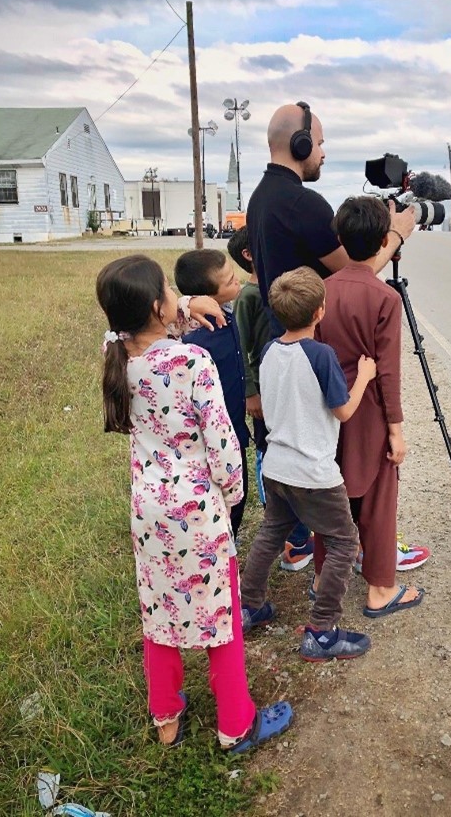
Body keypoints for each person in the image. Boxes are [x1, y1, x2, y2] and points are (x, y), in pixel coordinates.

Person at [96, 254, 292, 751]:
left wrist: (177, 301)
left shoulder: (115, 352)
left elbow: (129, 324)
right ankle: (235, 724)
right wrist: (233, 494)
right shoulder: (191, 361)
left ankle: (166, 716)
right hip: (197, 505)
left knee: (158, 612)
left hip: (148, 508)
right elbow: (223, 444)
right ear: (159, 306)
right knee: (219, 617)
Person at [246, 101, 416, 570]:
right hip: (309, 350)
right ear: (300, 144)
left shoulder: (260, 198)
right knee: (330, 453)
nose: (322, 152)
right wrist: (397, 233)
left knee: (290, 451)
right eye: (319, 143)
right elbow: (359, 274)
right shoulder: (302, 203)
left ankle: (301, 541)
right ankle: (358, 547)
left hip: (279, 348)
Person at [240, 266, 376, 662]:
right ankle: (321, 630)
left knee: (271, 533)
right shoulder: (321, 355)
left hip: (277, 465)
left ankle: (249, 605)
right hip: (313, 471)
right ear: (321, 311)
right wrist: (364, 376)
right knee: (344, 542)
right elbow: (344, 411)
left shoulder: (269, 351)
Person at [316, 196, 426, 618]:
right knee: (379, 498)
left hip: (329, 409)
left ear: (340, 238)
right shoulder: (385, 298)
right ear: (385, 240)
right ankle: (381, 588)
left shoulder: (322, 292)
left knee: (331, 493)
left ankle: (323, 578)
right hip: (369, 411)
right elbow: (388, 372)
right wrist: (396, 430)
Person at [173, 248, 249, 538]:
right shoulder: (193, 342)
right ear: (207, 297)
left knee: (240, 492)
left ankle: (231, 537)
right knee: (226, 496)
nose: (237, 283)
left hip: (236, 428)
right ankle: (221, 538)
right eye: (229, 282)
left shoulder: (228, 315)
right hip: (213, 437)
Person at [226, 227, 271, 508]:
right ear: (249, 254)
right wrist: (250, 392)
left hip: (280, 383)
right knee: (266, 448)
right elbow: (240, 346)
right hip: (261, 387)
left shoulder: (274, 288)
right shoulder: (248, 297)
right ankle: (272, 509)